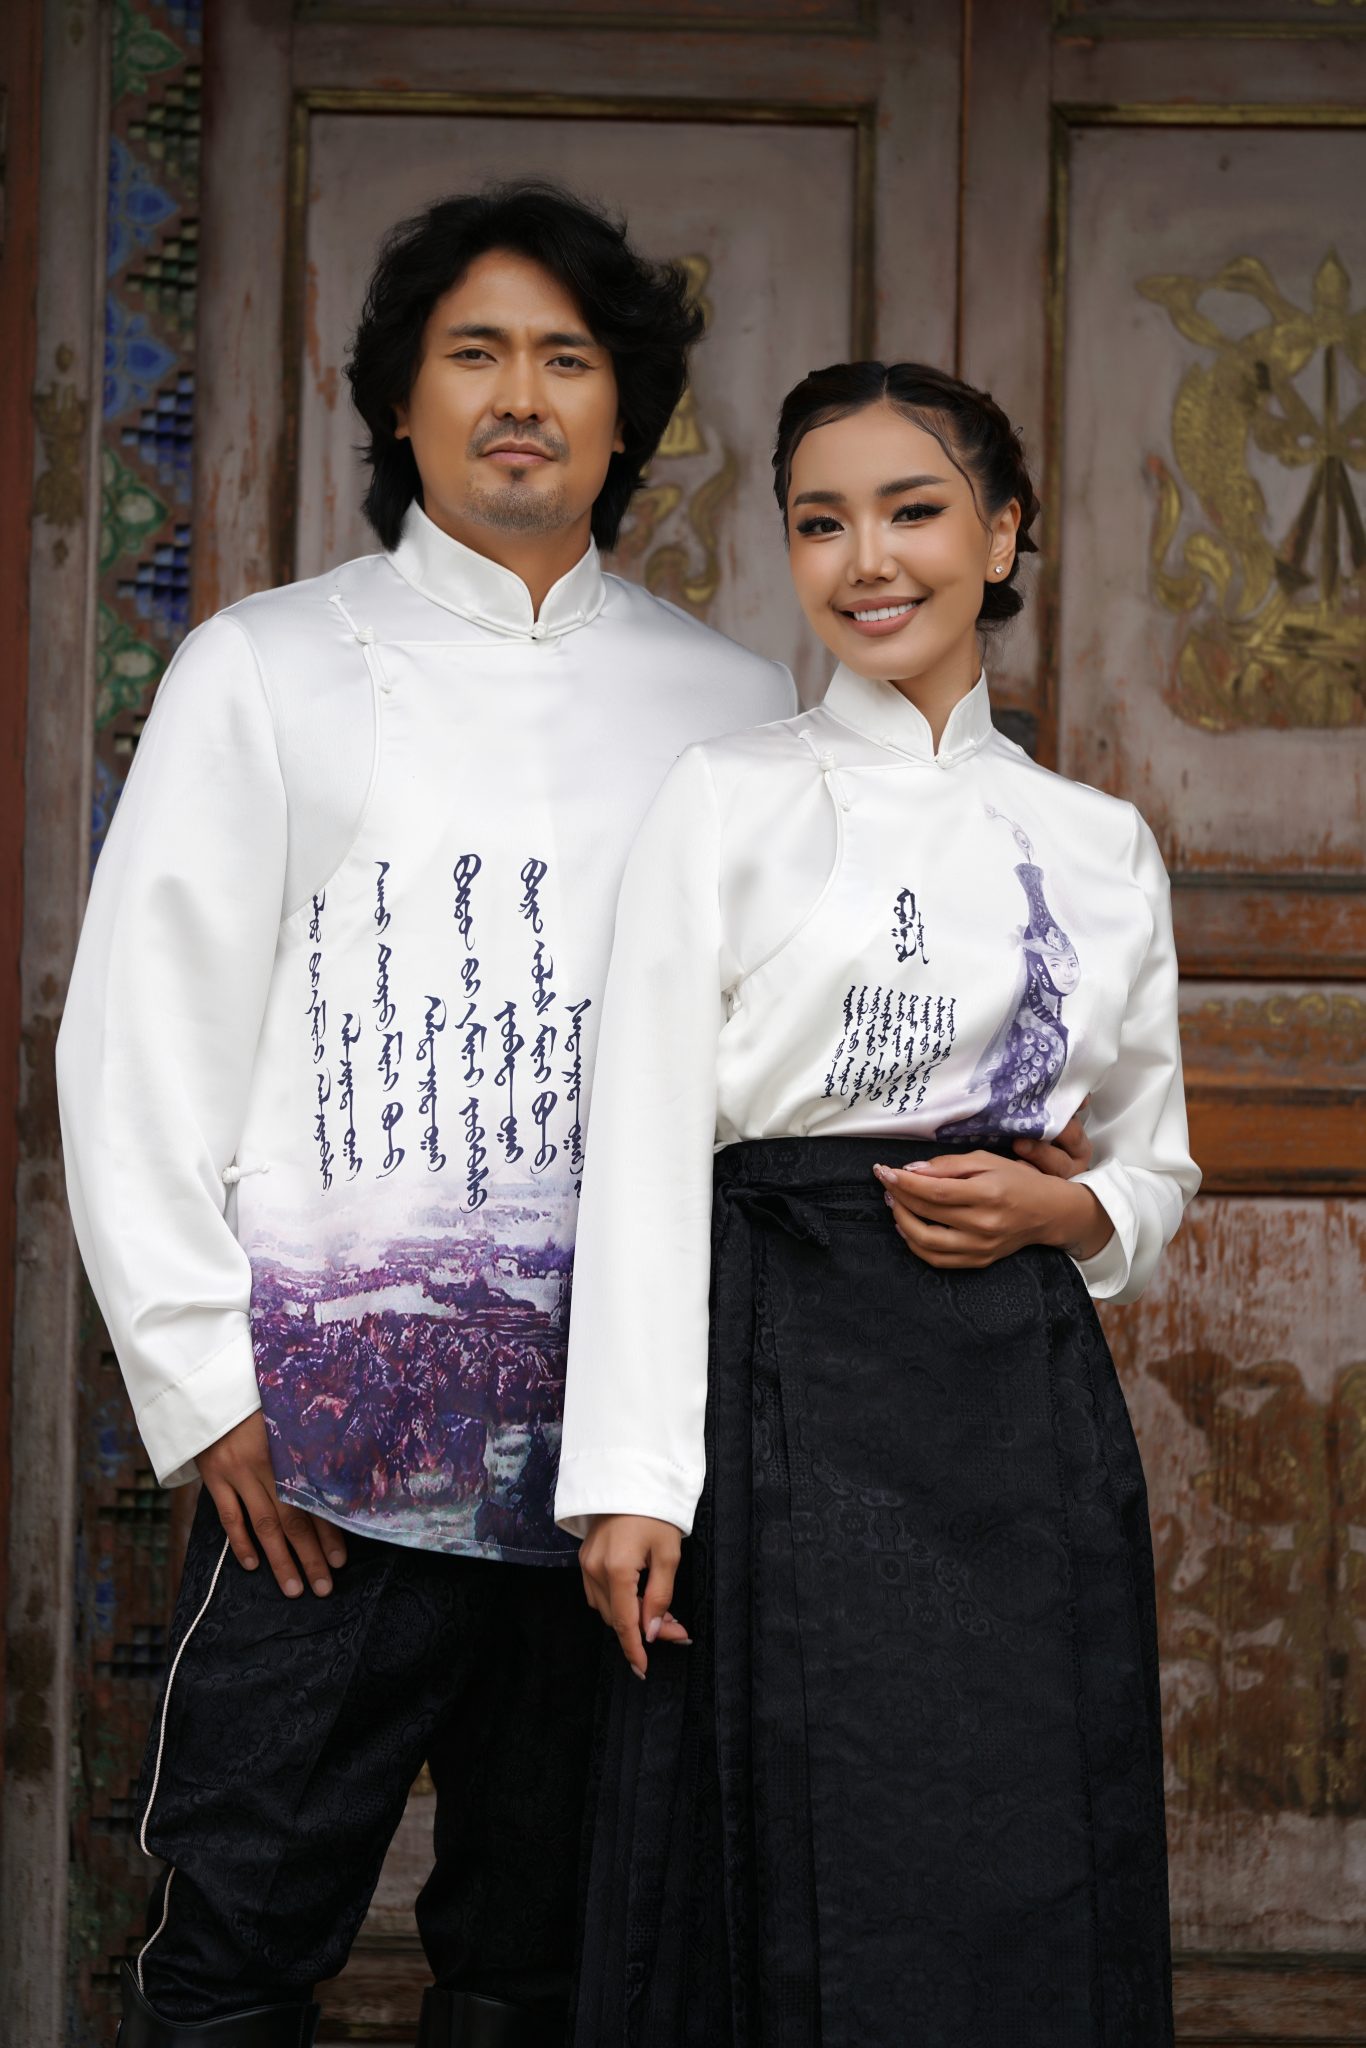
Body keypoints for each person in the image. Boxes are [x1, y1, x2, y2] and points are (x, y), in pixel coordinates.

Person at [57, 180, 803, 2048]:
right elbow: (136, 1036)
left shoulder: (730, 703)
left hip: (618, 1470)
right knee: (235, 1941)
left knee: (548, 1963)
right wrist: (199, 1377)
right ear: (399, 402)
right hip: (321, 1458)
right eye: (473, 353)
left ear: (628, 414)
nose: (521, 395)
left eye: (566, 357)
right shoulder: (268, 666)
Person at [555, 360, 1201, 2047]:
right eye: (819, 522)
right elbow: (636, 1145)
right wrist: (629, 1481)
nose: (866, 560)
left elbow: (1149, 1152)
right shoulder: (727, 798)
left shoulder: (1096, 840)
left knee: (1011, 1835)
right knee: (774, 1829)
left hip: (1008, 1396)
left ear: (1001, 537)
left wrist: (1067, 1220)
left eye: (912, 512)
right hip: (769, 1350)